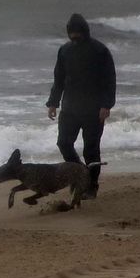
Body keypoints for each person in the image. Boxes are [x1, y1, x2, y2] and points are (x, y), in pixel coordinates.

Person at [45, 13, 116, 199]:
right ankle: (81, 174)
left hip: (94, 109)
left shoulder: (100, 50)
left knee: (91, 150)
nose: (75, 36)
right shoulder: (64, 51)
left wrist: (106, 105)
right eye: (71, 33)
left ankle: (91, 186)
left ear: (85, 31)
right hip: (70, 108)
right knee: (63, 143)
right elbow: (58, 79)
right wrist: (53, 102)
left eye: (78, 33)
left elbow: (110, 80)